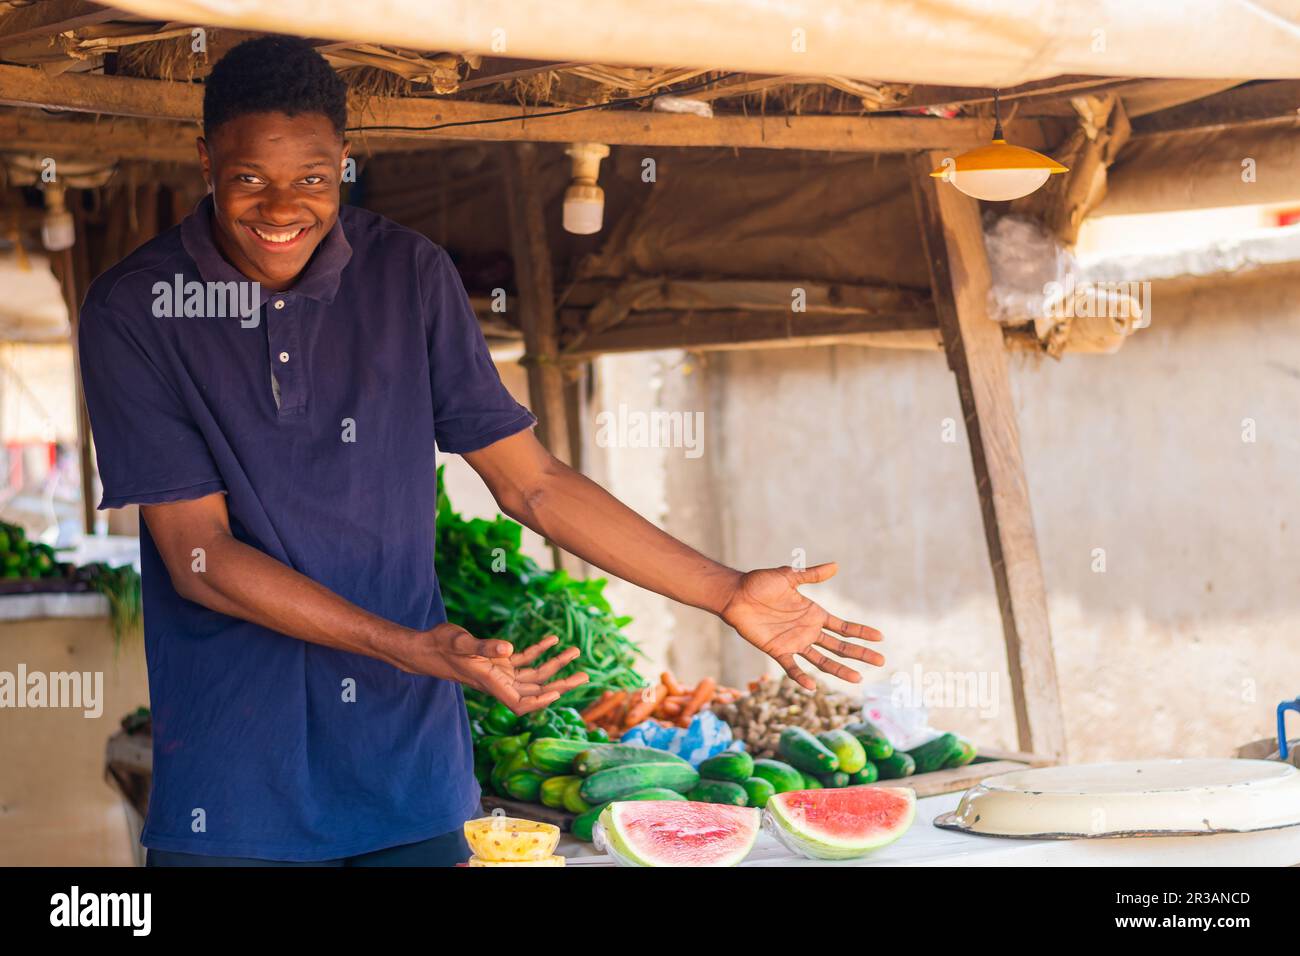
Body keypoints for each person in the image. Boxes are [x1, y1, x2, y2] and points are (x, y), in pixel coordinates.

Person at [79, 35, 883, 867]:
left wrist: (724, 590)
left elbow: (531, 485)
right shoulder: (135, 309)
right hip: (234, 783)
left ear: (345, 162)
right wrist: (411, 645)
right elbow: (198, 556)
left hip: (411, 777)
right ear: (205, 158)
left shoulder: (408, 276)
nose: (283, 208)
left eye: (313, 179)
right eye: (250, 179)